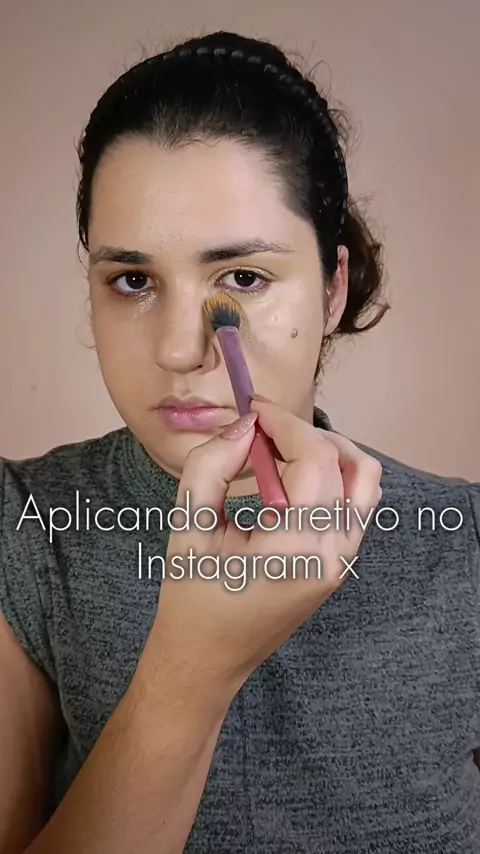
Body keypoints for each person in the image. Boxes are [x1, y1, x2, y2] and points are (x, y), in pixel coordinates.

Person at [0, 29, 479, 854]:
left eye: (243, 277)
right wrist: (189, 671)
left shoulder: (463, 543)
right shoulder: (25, 528)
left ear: (332, 290)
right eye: (133, 281)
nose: (180, 349)